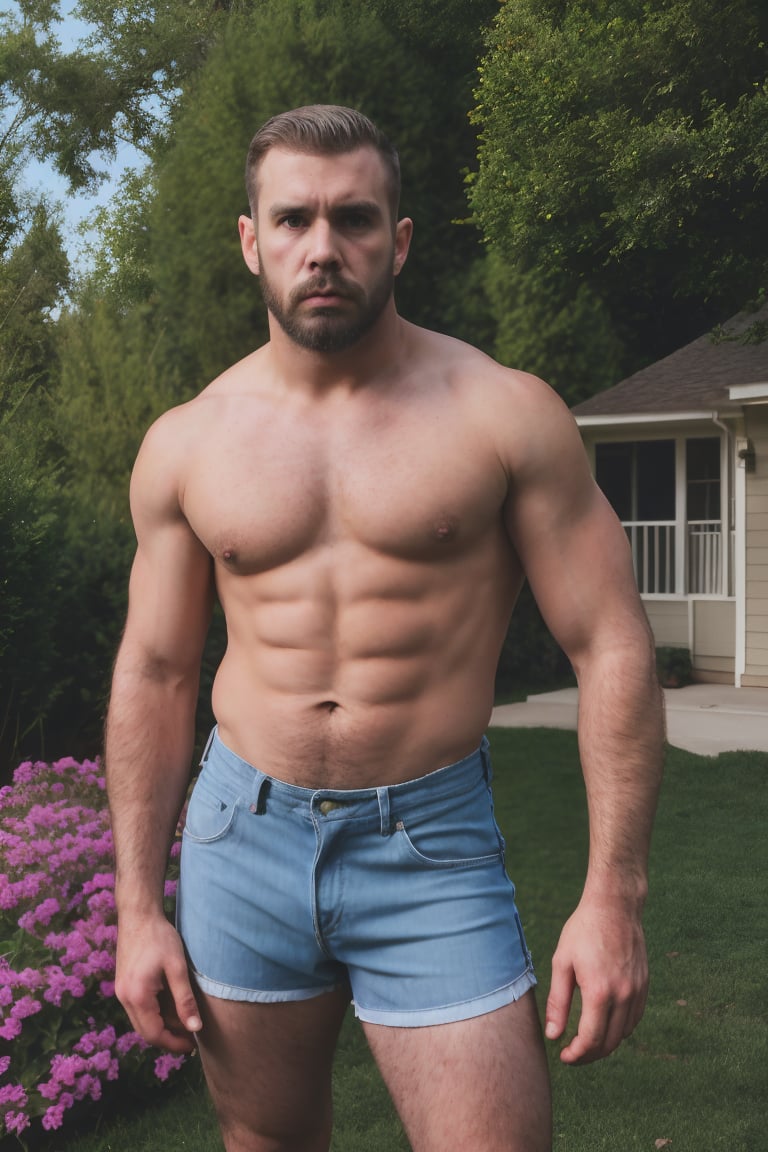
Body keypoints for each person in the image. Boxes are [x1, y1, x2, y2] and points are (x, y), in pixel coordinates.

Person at [106, 104, 664, 1152]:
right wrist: (139, 905)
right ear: (250, 239)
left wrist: (613, 895)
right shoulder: (187, 444)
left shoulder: (504, 415)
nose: (324, 247)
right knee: (266, 1138)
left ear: (398, 240)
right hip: (240, 836)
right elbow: (157, 669)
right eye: (294, 220)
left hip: (430, 843)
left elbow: (612, 646)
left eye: (355, 218)